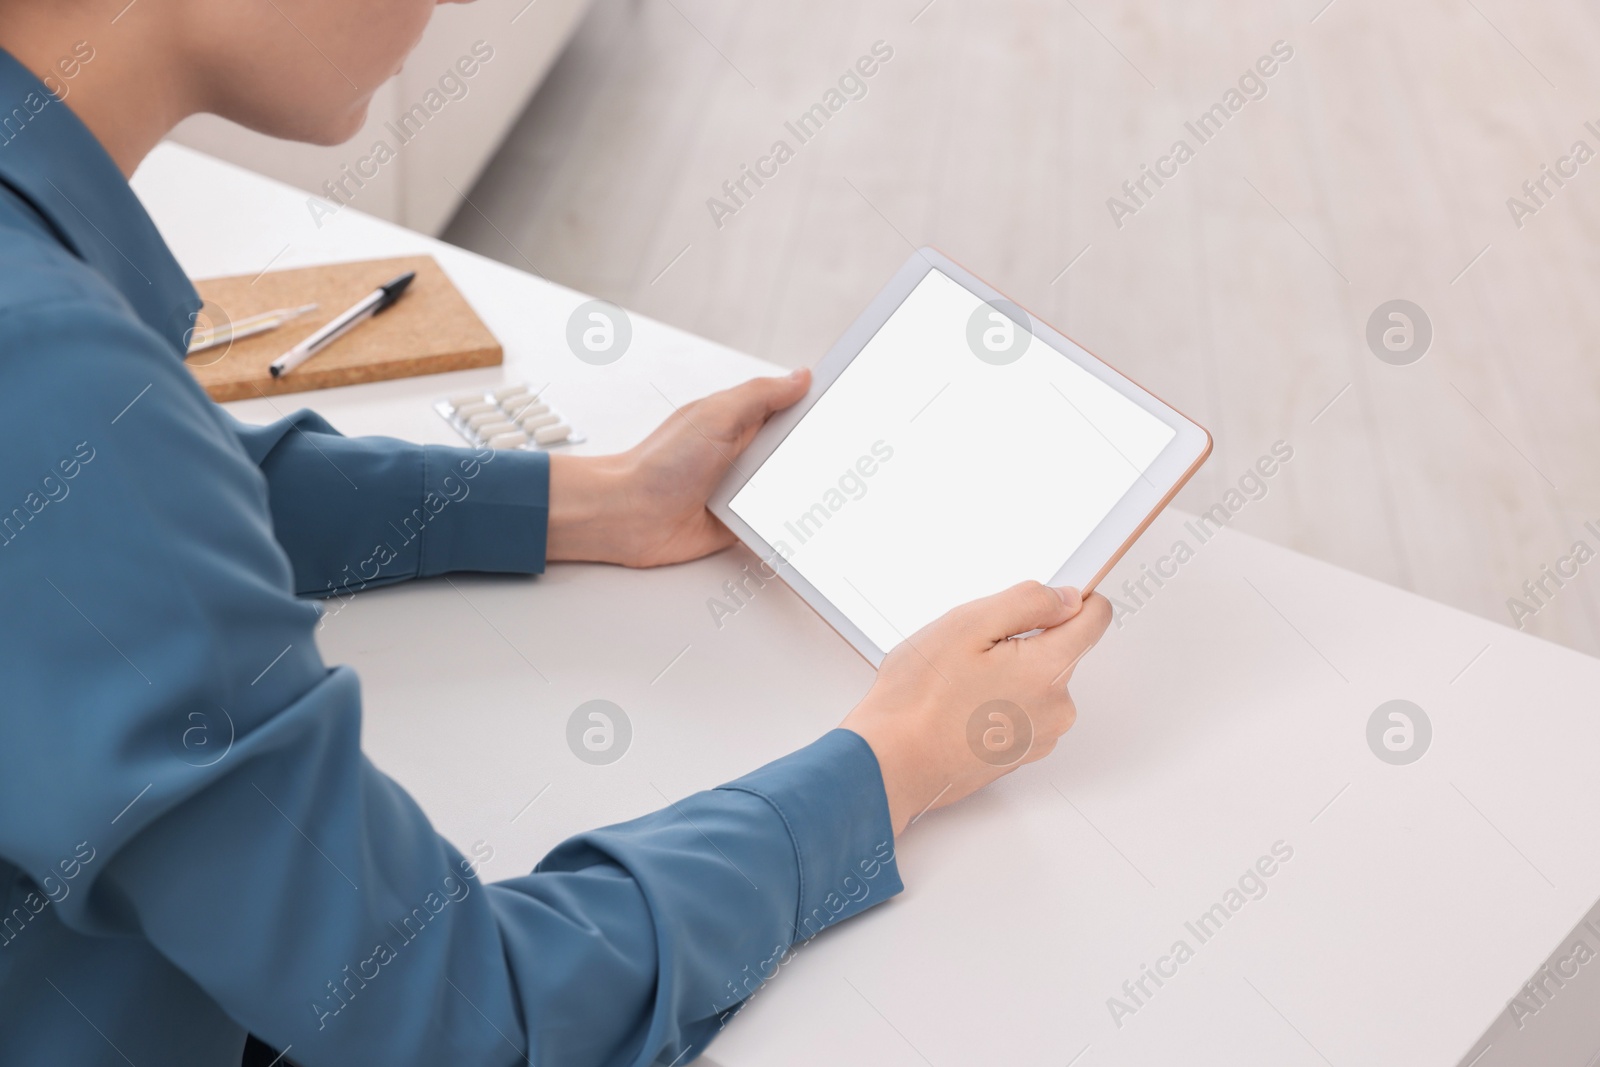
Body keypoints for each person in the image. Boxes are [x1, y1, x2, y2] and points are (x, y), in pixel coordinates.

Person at [0, 1, 1111, 1064]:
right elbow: (459, 1018)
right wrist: (896, 757)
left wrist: (594, 500)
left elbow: (139, 502)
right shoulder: (47, 370)